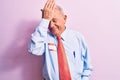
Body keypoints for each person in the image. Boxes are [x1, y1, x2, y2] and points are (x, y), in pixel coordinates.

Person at [28, 0, 93, 80]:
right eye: (49, 21)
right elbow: (34, 50)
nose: (51, 25)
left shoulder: (78, 37)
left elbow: (87, 67)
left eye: (54, 20)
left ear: (64, 18)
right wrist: (44, 20)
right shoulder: (44, 38)